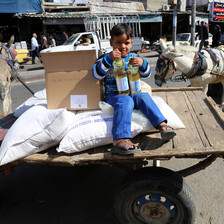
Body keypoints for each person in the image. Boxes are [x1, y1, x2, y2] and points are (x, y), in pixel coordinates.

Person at [92, 23, 176, 155]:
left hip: (133, 92)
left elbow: (147, 74)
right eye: (118, 42)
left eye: (126, 43)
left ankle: (162, 125)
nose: (123, 46)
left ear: (131, 43)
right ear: (111, 42)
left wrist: (143, 64)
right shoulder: (106, 58)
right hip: (114, 95)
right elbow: (95, 74)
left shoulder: (134, 58)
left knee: (143, 96)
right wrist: (109, 59)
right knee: (125, 101)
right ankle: (120, 139)